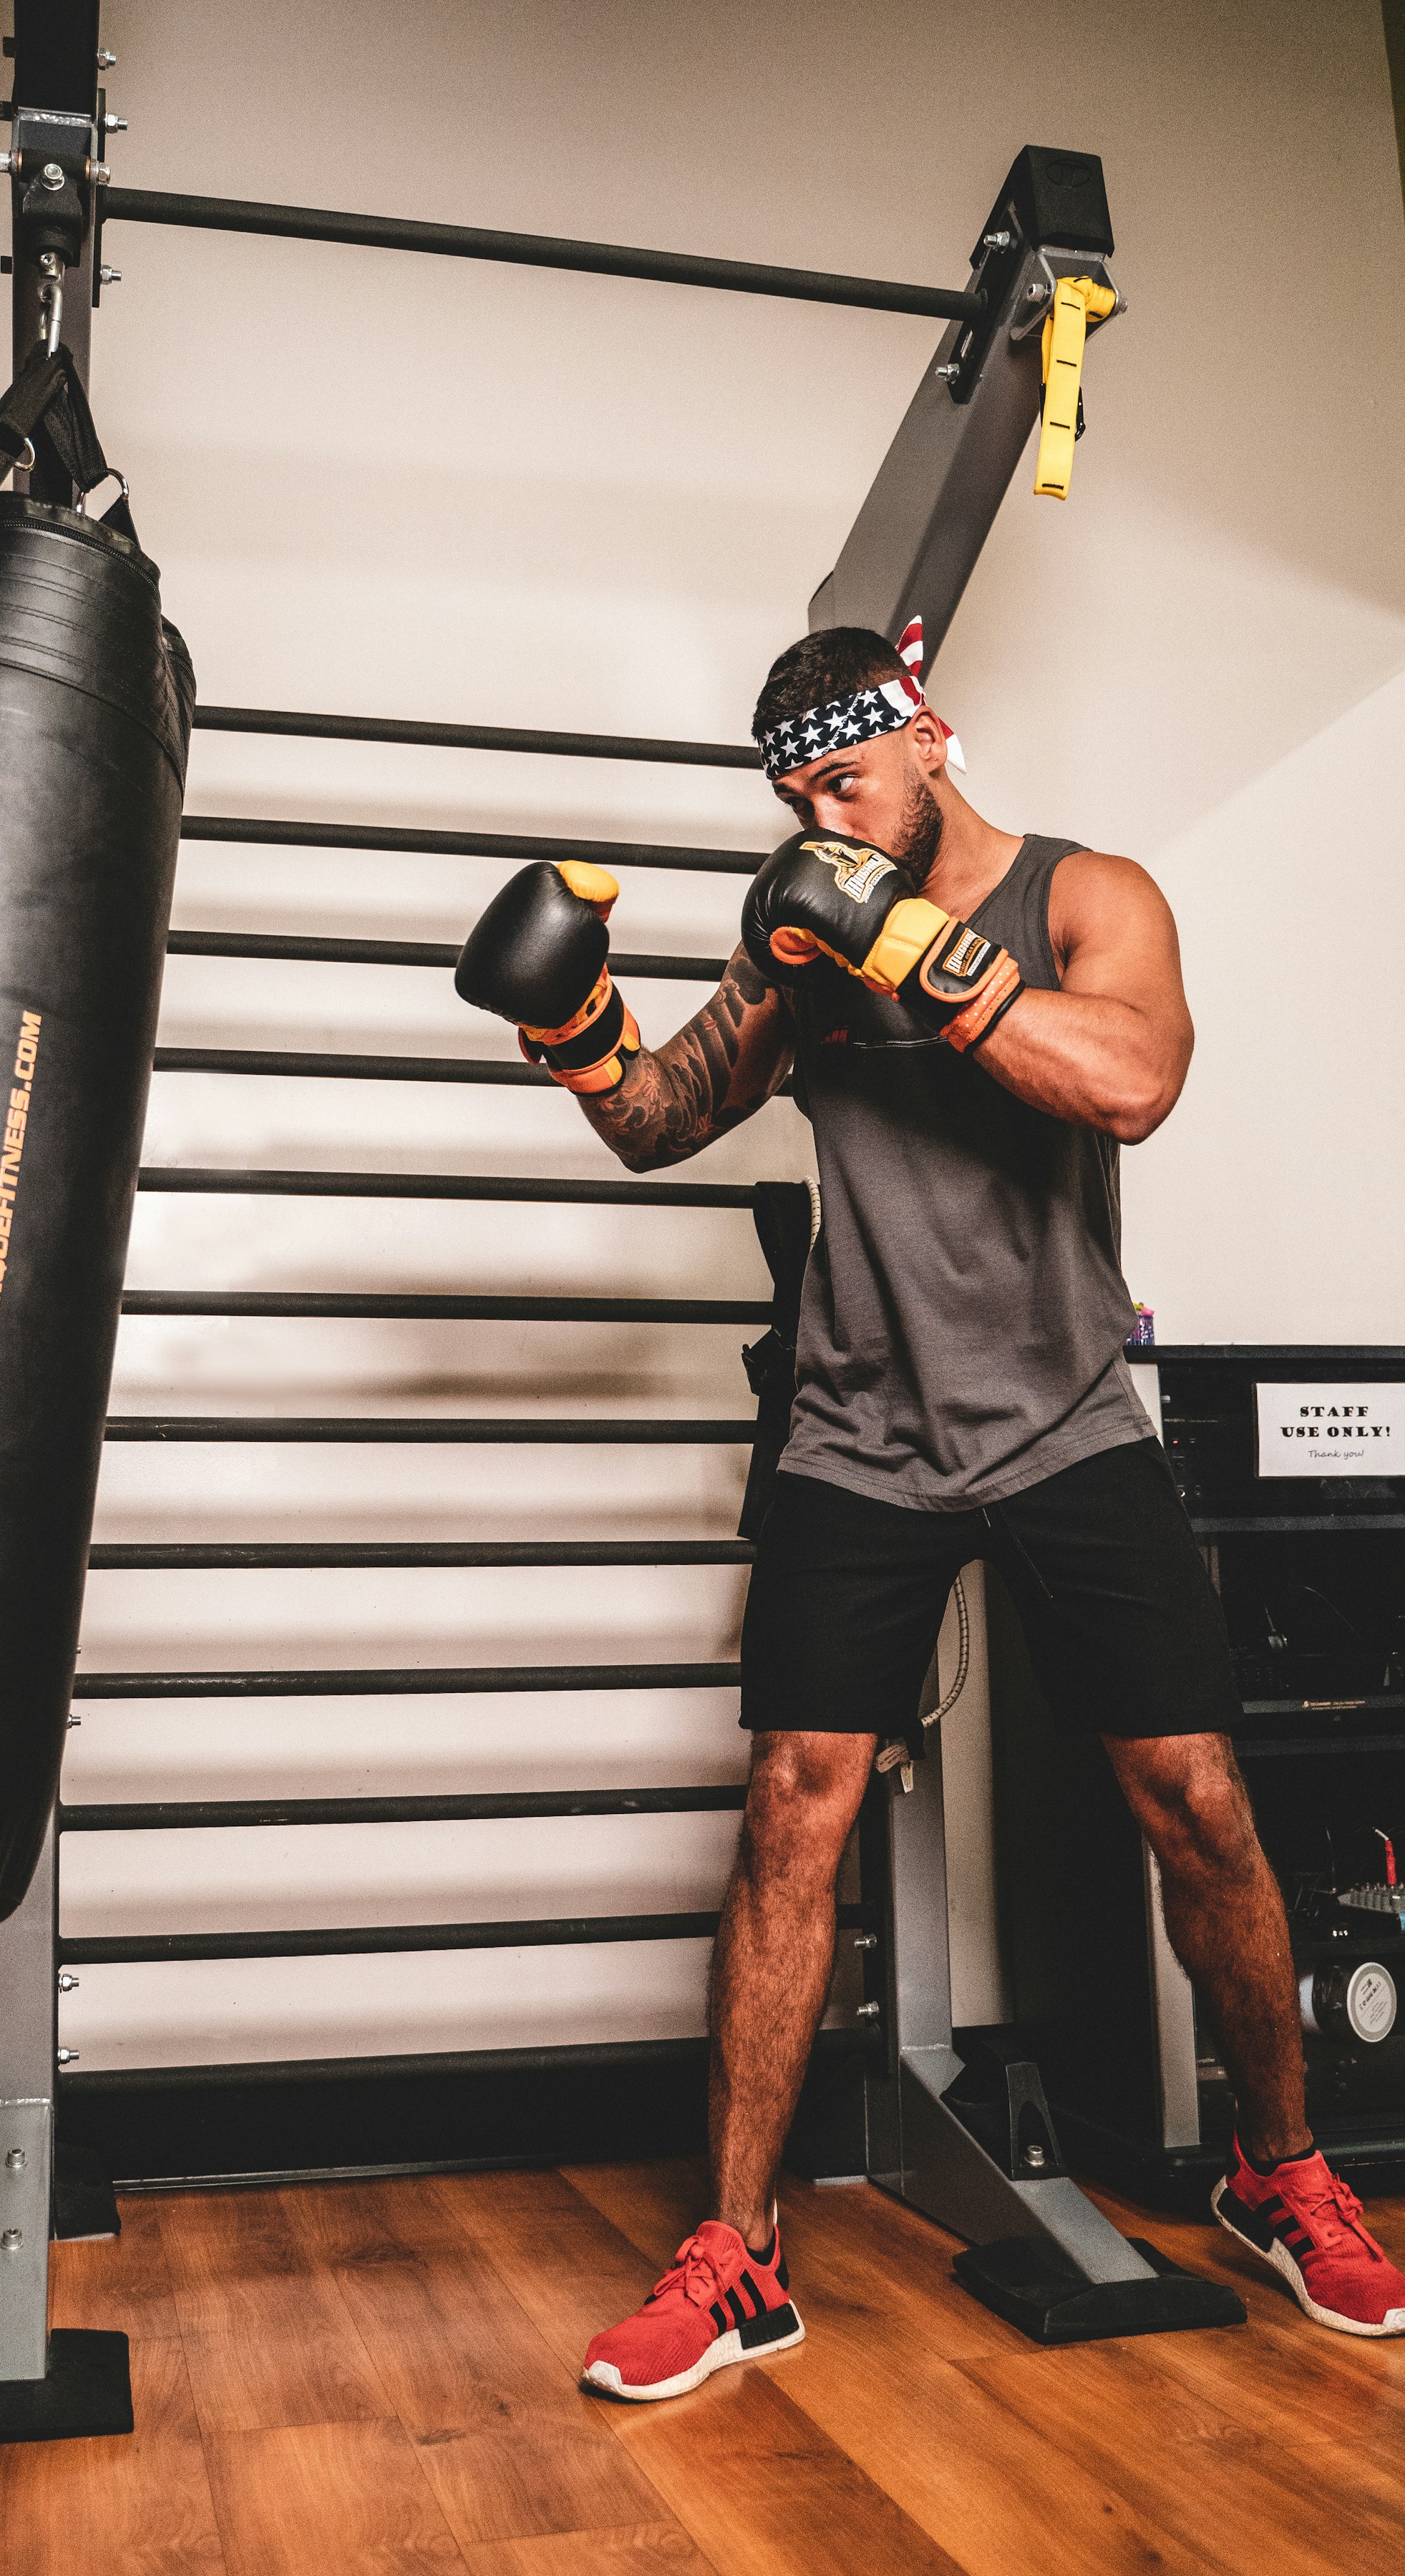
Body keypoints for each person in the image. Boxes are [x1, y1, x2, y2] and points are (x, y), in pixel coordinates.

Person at [454, 624, 1405, 2401]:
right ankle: (739, 2255)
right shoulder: (798, 937)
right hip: (858, 1431)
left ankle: (1285, 2176)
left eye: (844, 776)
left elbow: (1132, 1080)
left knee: (1195, 1800)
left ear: (931, 739)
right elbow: (665, 1118)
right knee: (791, 1817)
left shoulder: (1086, 895)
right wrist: (572, 1024)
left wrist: (910, 947)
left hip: (1062, 1418)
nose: (821, 812)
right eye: (796, 793)